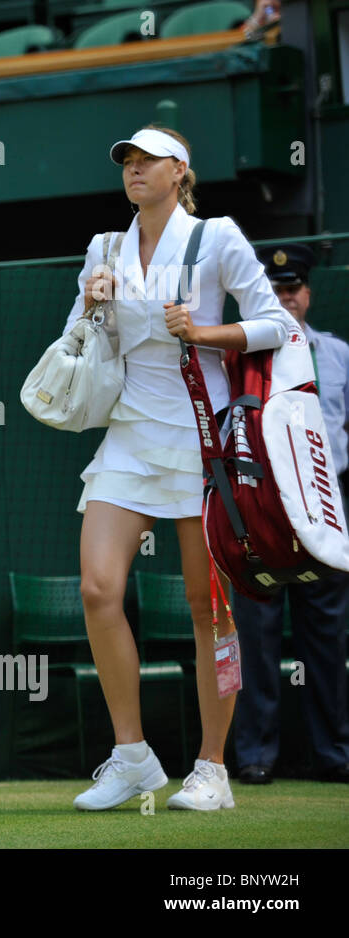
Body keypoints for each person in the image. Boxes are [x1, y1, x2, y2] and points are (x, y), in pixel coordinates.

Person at [64, 125, 298, 812]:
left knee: (208, 608)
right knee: (97, 589)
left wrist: (201, 332)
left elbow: (276, 326)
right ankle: (133, 756)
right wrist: (92, 302)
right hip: (129, 438)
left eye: (146, 161)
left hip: (206, 443)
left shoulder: (217, 236)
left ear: (179, 171)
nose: (134, 170)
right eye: (126, 162)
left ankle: (213, 768)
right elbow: (79, 338)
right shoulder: (104, 247)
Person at [230, 244, 349, 786]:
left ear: (308, 293)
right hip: (260, 503)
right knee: (254, 629)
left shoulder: (339, 354)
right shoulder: (241, 353)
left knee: (327, 631)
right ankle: (255, 754)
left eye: (293, 289)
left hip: (326, 504)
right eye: (275, 290)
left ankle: (334, 754)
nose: (287, 298)